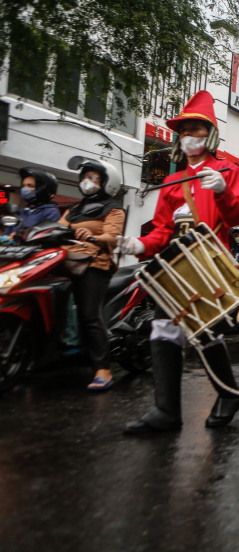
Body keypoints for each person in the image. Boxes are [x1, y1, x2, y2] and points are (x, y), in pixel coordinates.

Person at [117, 90, 239, 433]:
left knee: (205, 331)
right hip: (174, 264)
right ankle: (166, 411)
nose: (189, 135)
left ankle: (228, 393)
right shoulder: (173, 179)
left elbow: (237, 217)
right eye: (184, 130)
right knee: (164, 329)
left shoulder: (227, 169)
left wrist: (222, 189)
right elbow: (162, 229)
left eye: (196, 129)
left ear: (210, 135)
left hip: (207, 261)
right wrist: (139, 244)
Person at [59, 158, 125, 391]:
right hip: (66, 261)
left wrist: (93, 237)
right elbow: (57, 228)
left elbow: (113, 237)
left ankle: (103, 369)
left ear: (107, 182)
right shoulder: (74, 209)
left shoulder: (113, 209)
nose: (87, 181)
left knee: (90, 315)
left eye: (94, 177)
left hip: (95, 264)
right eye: (85, 177)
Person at [4, 168, 61, 237]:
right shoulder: (21, 212)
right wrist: (5, 238)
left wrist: (20, 236)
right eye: (23, 185)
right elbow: (5, 235)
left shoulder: (51, 212)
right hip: (13, 248)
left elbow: (46, 237)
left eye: (30, 186)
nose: (24, 189)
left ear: (43, 189)